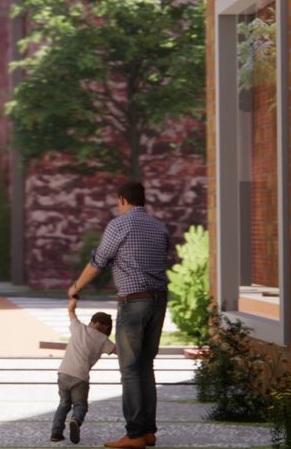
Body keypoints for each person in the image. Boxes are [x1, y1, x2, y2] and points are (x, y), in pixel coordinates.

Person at [68, 181, 170, 449]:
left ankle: (135, 434)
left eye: (117, 201)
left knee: (130, 370)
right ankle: (148, 432)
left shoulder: (119, 225)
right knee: (146, 366)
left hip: (133, 302)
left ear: (123, 200)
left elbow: (98, 262)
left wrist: (76, 287)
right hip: (159, 301)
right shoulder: (159, 227)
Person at [51, 297, 116, 444]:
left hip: (63, 373)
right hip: (80, 377)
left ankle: (56, 433)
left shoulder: (79, 328)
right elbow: (121, 352)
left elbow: (71, 310)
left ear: (91, 322)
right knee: (80, 405)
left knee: (64, 403)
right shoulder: (104, 340)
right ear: (106, 328)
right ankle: (76, 420)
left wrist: (74, 297)